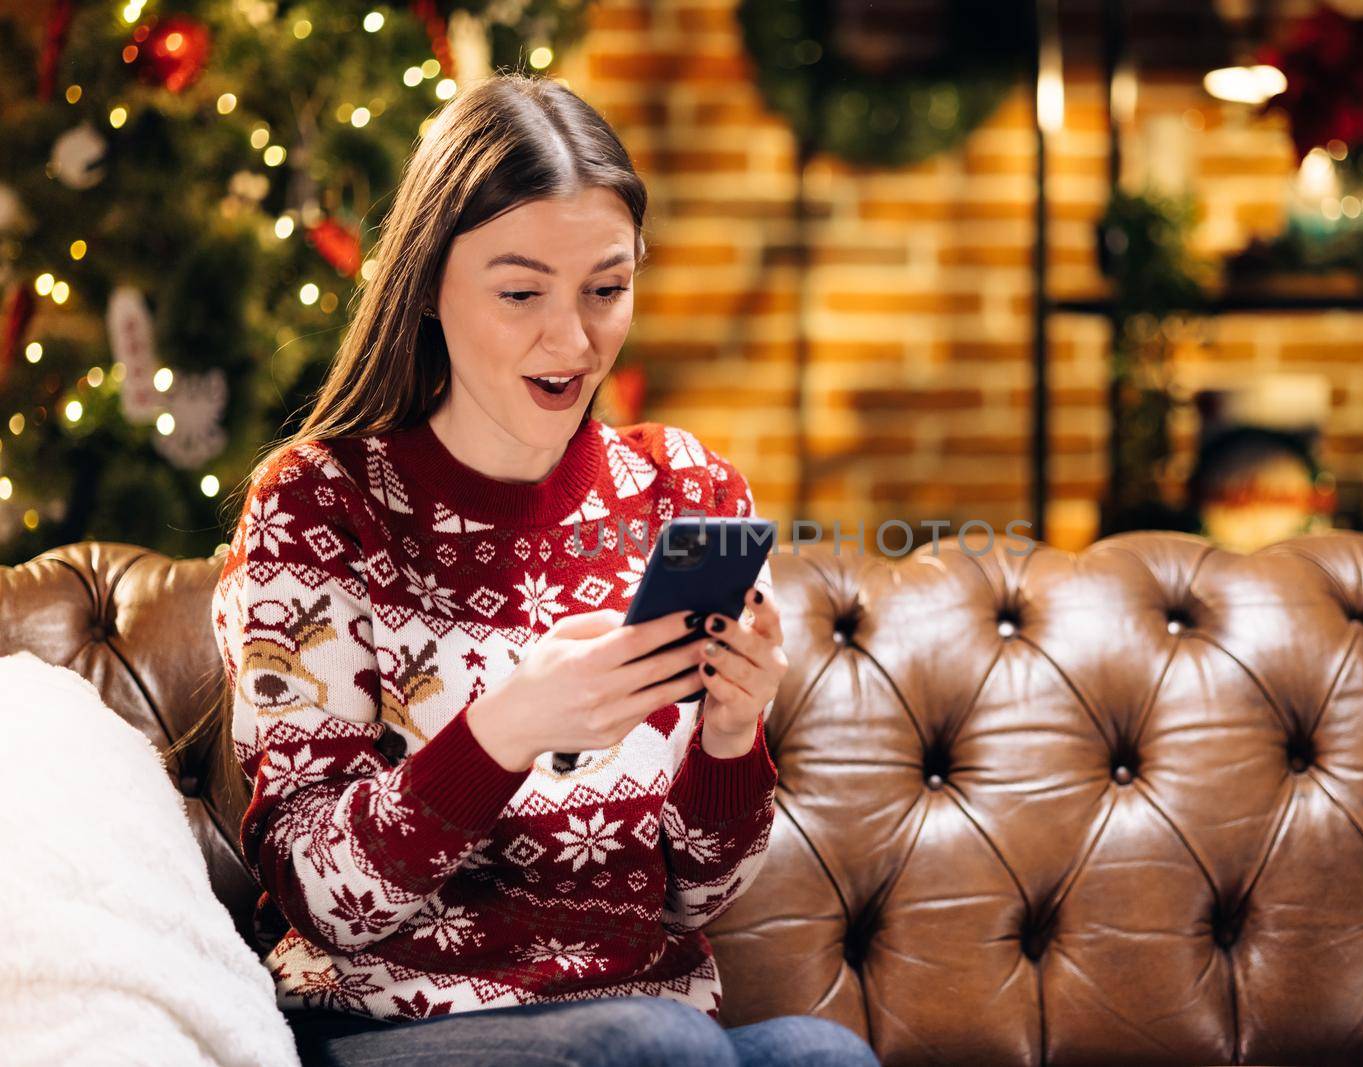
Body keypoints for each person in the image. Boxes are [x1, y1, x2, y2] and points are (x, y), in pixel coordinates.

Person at [209, 72, 879, 1067]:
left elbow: (696, 898)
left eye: (607, 288)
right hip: (383, 1026)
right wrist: (508, 726)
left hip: (638, 1023)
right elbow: (322, 892)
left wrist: (732, 739)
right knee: (659, 1041)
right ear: (428, 284)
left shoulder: (684, 488)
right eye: (520, 292)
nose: (572, 340)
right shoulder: (320, 501)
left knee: (821, 1054)